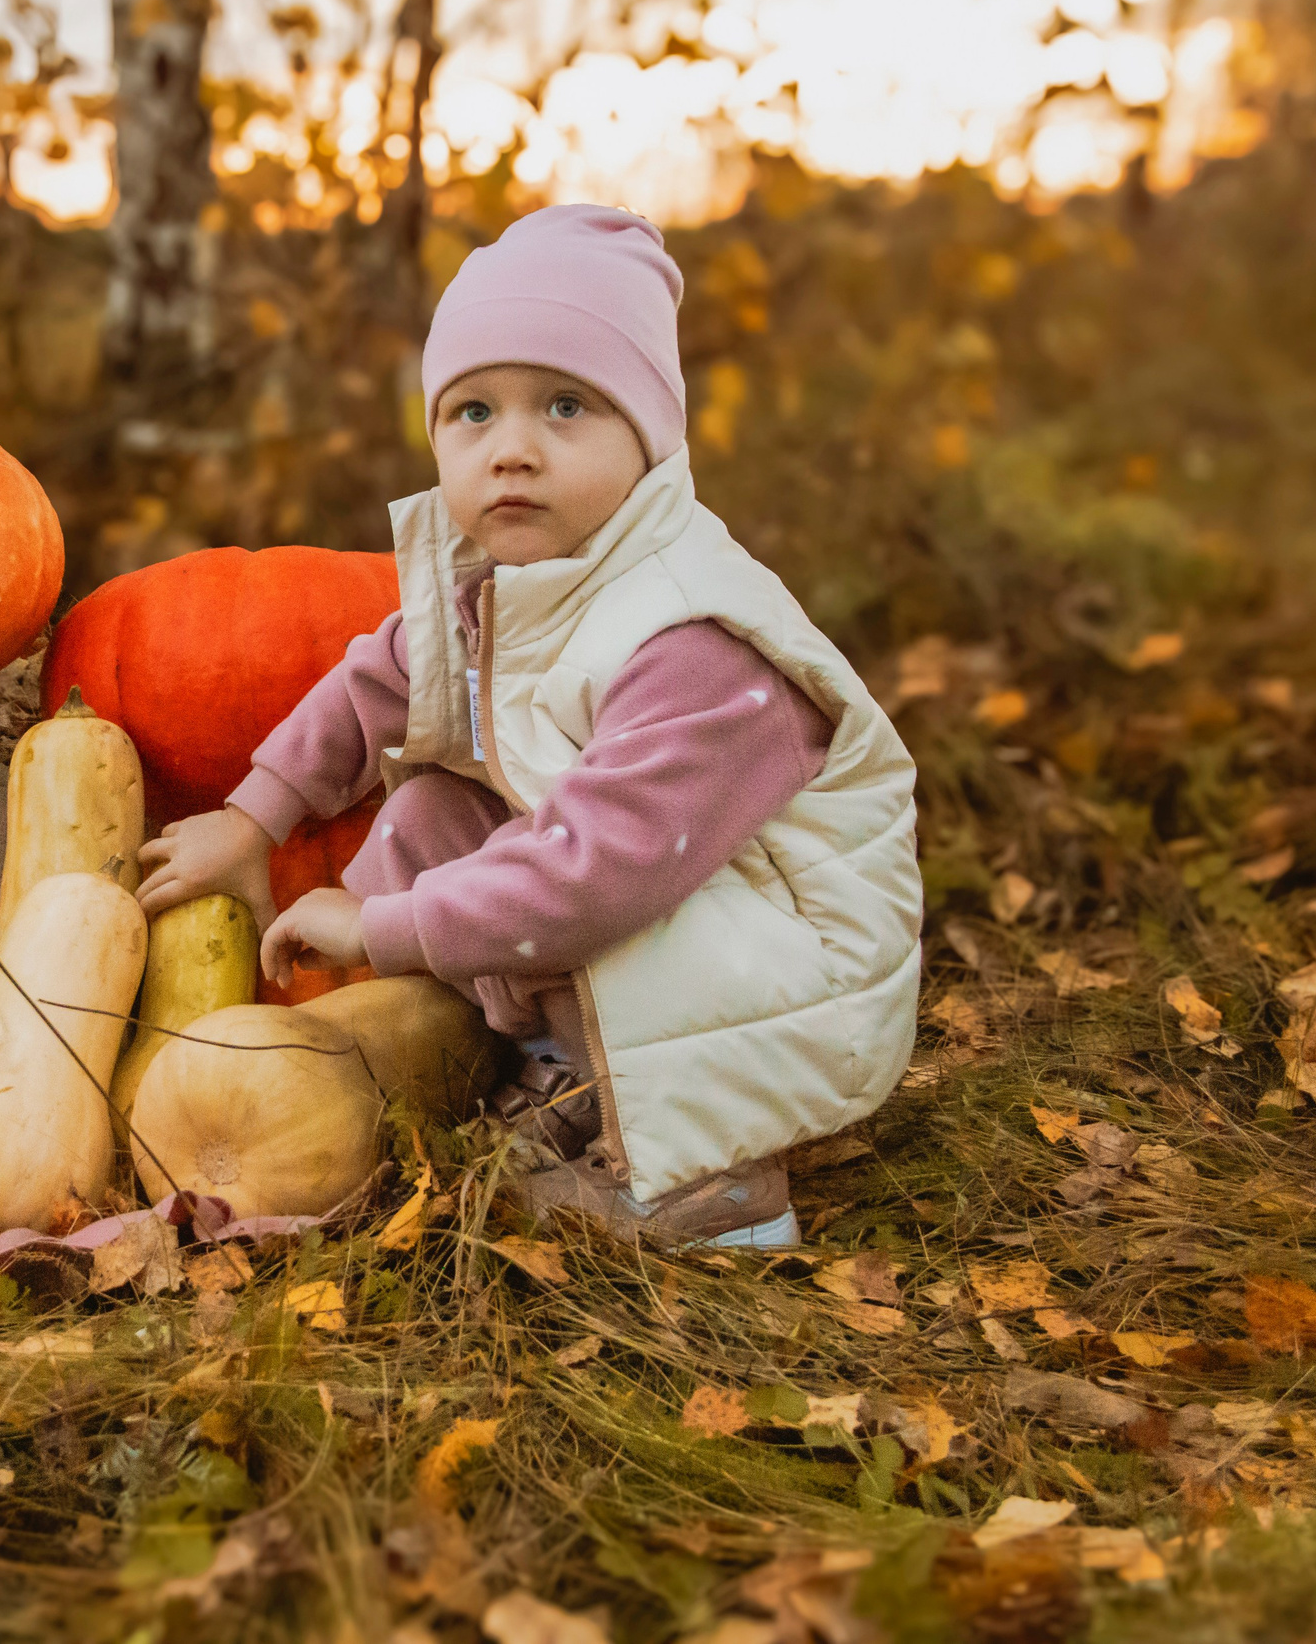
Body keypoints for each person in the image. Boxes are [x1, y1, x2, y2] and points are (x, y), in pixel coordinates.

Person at [135, 204, 923, 1246]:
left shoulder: (695, 635)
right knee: (433, 812)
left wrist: (375, 927)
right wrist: (253, 820)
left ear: (648, 440)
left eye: (564, 407)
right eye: (472, 413)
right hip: (643, 899)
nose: (511, 451)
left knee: (557, 880)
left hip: (786, 969)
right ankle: (551, 1069)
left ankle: (706, 1176)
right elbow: (379, 679)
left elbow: (596, 871)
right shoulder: (520, 581)